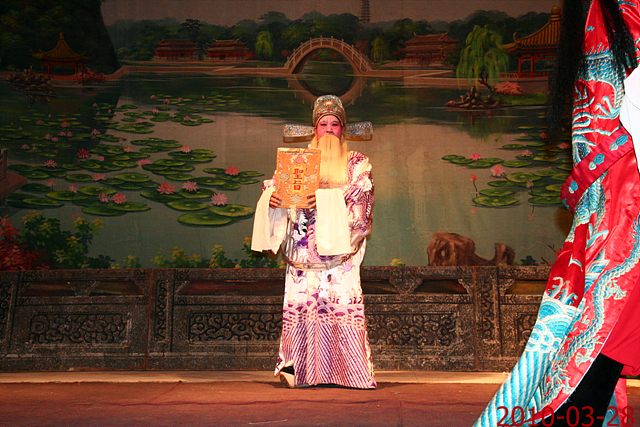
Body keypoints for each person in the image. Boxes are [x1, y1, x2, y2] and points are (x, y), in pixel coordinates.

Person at [475, 1, 640, 426]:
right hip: (625, 195)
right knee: (604, 330)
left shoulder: (606, 14)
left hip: (617, 191)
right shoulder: (619, 13)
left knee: (605, 331)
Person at [251, 95, 376, 389]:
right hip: (303, 253)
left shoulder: (357, 163)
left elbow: (361, 199)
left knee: (340, 308)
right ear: (315, 129)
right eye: (323, 124)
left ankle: (349, 374)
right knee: (301, 307)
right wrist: (273, 199)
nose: (329, 129)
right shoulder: (297, 162)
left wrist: (322, 199)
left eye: (335, 124)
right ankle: (300, 371)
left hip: (339, 256)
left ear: (342, 129)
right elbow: (278, 189)